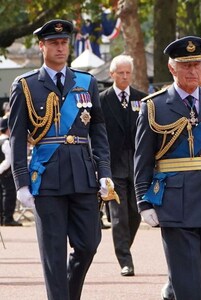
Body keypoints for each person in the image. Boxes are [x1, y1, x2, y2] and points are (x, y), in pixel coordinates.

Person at [9, 19, 113, 300]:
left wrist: (104, 170)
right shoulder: (26, 85)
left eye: (64, 42)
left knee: (89, 244)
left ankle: (67, 294)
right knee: (53, 254)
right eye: (54, 43)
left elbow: (99, 130)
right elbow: (18, 137)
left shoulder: (87, 82)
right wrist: (20, 183)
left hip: (82, 174)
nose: (60, 47)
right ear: (42, 46)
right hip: (47, 176)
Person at [134, 36, 201, 300]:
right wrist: (143, 202)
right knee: (187, 284)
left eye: (198, 64)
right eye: (186, 65)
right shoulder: (154, 106)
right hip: (174, 201)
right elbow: (142, 158)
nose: (193, 70)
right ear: (172, 68)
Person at [99, 54, 148, 277]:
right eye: (121, 73)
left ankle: (124, 247)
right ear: (112, 75)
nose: (125, 77)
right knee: (118, 215)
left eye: (128, 73)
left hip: (137, 163)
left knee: (136, 213)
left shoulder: (142, 99)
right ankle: (125, 261)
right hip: (114, 163)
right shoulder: (102, 99)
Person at [0, 117, 21, 226]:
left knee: (2, 195)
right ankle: (7, 219)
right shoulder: (6, 142)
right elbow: (8, 160)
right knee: (9, 195)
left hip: (2, 173)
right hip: (6, 173)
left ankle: (3, 218)